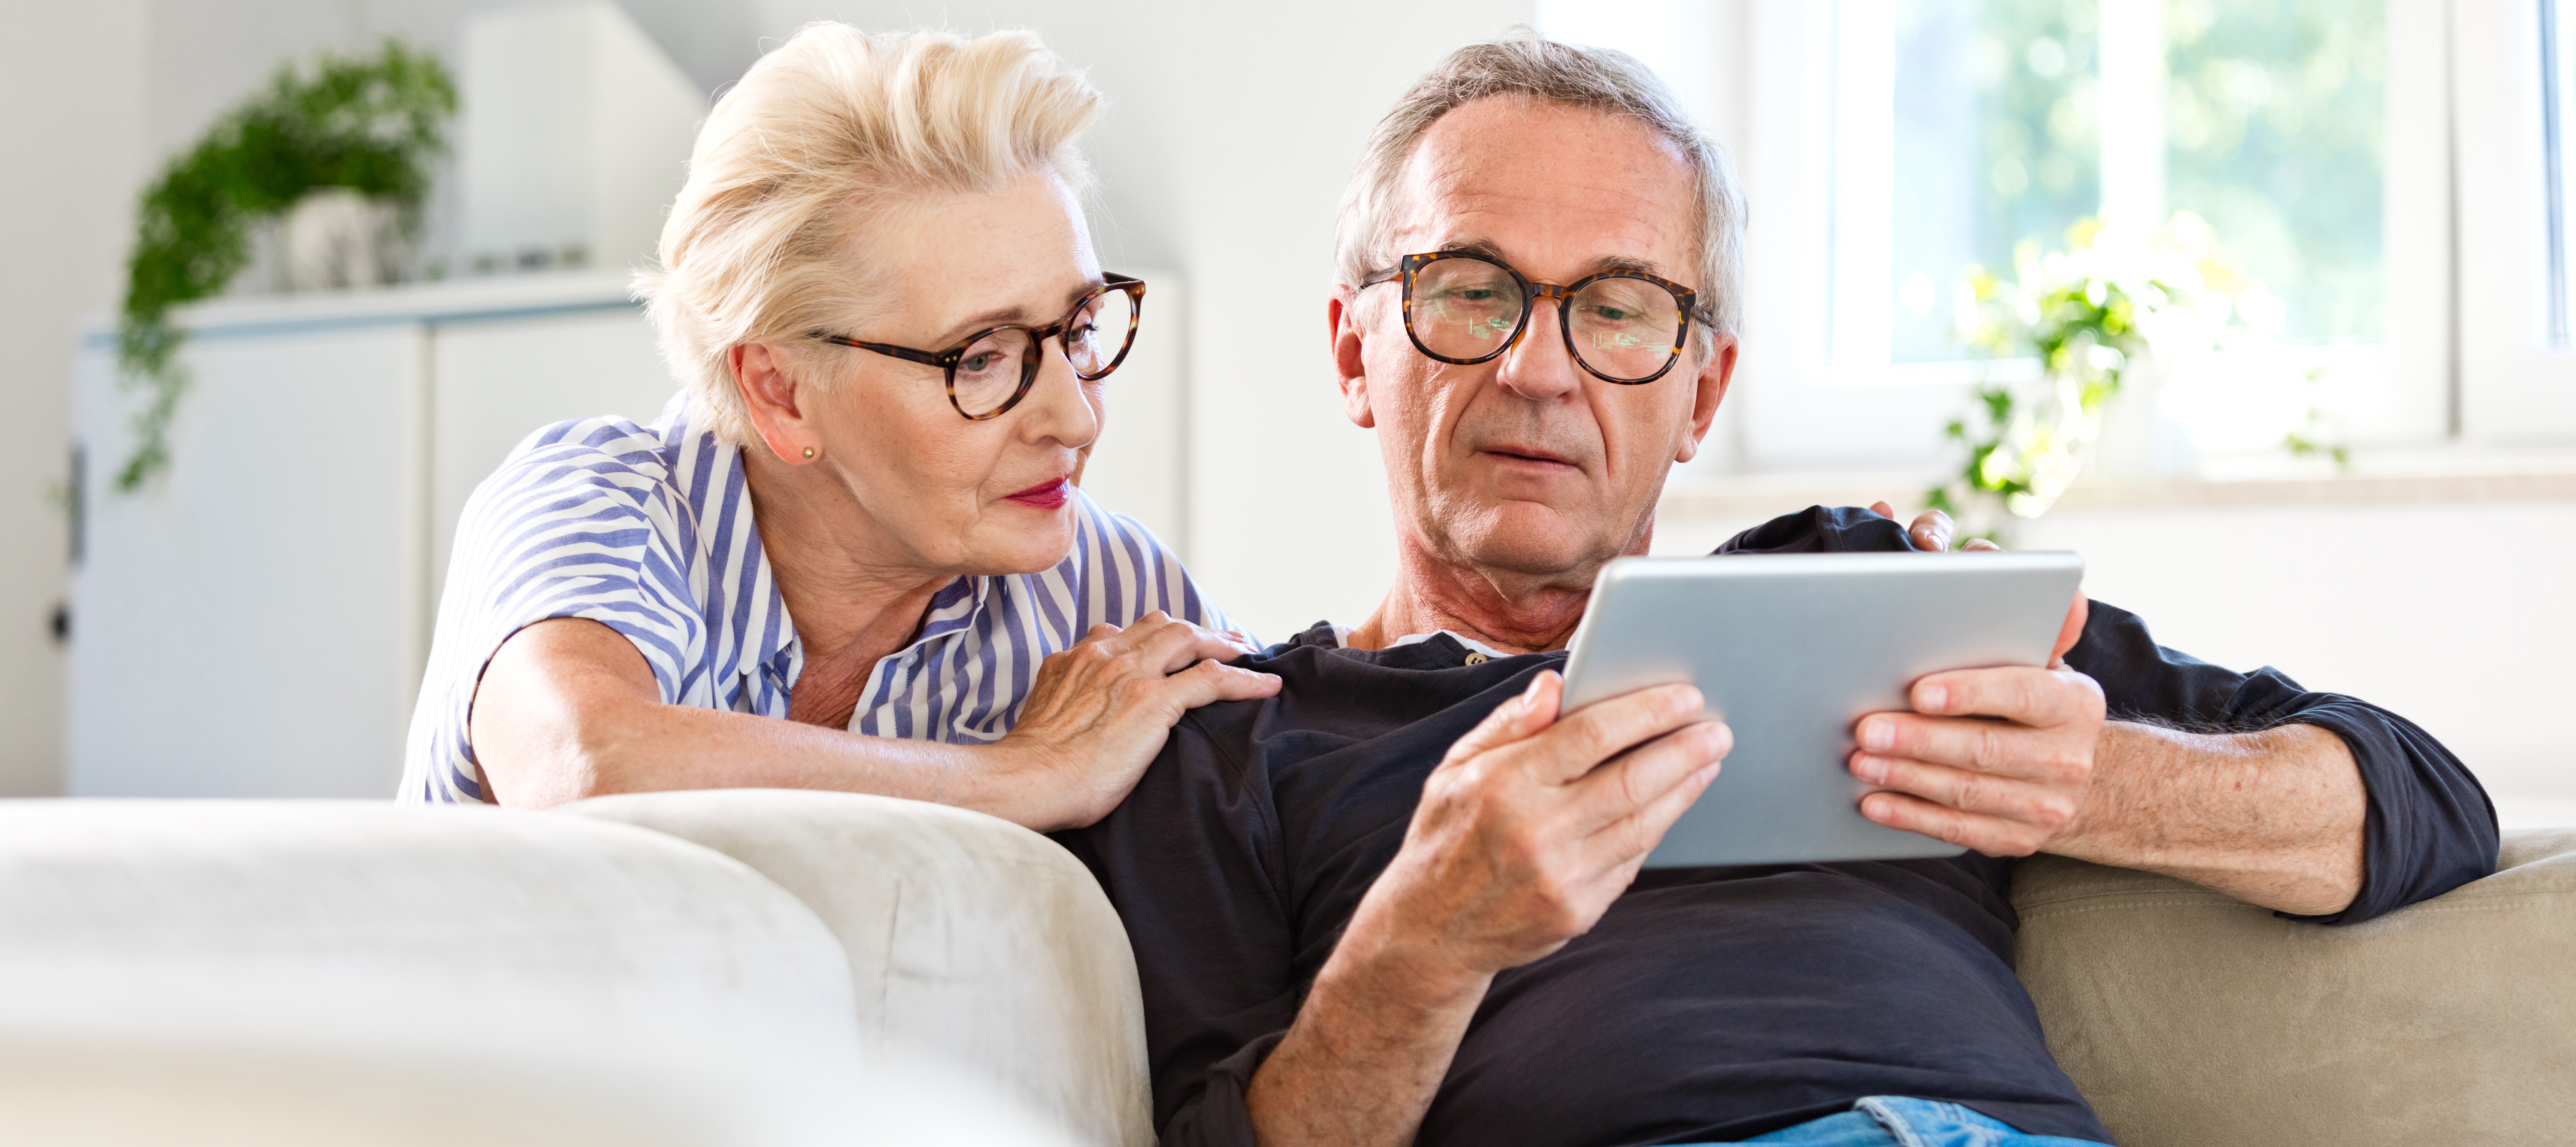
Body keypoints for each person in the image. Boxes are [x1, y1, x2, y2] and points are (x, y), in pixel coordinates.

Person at [1061, 34, 2497, 1147]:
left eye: (1618, 308)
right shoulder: (1235, 738)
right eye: (1471, 287)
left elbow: (2426, 805)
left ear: (1704, 392)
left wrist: (2096, 782)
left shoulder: (1875, 592)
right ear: (1350, 351)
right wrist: (1422, 947)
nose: (1539, 369)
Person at [396, 24, 1282, 827]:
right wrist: (1023, 777)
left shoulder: (1107, 590)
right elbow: (587, 765)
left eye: (1081, 329)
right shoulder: (595, 504)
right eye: (980, 358)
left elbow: (1290, 795)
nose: (1075, 415)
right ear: (781, 391)